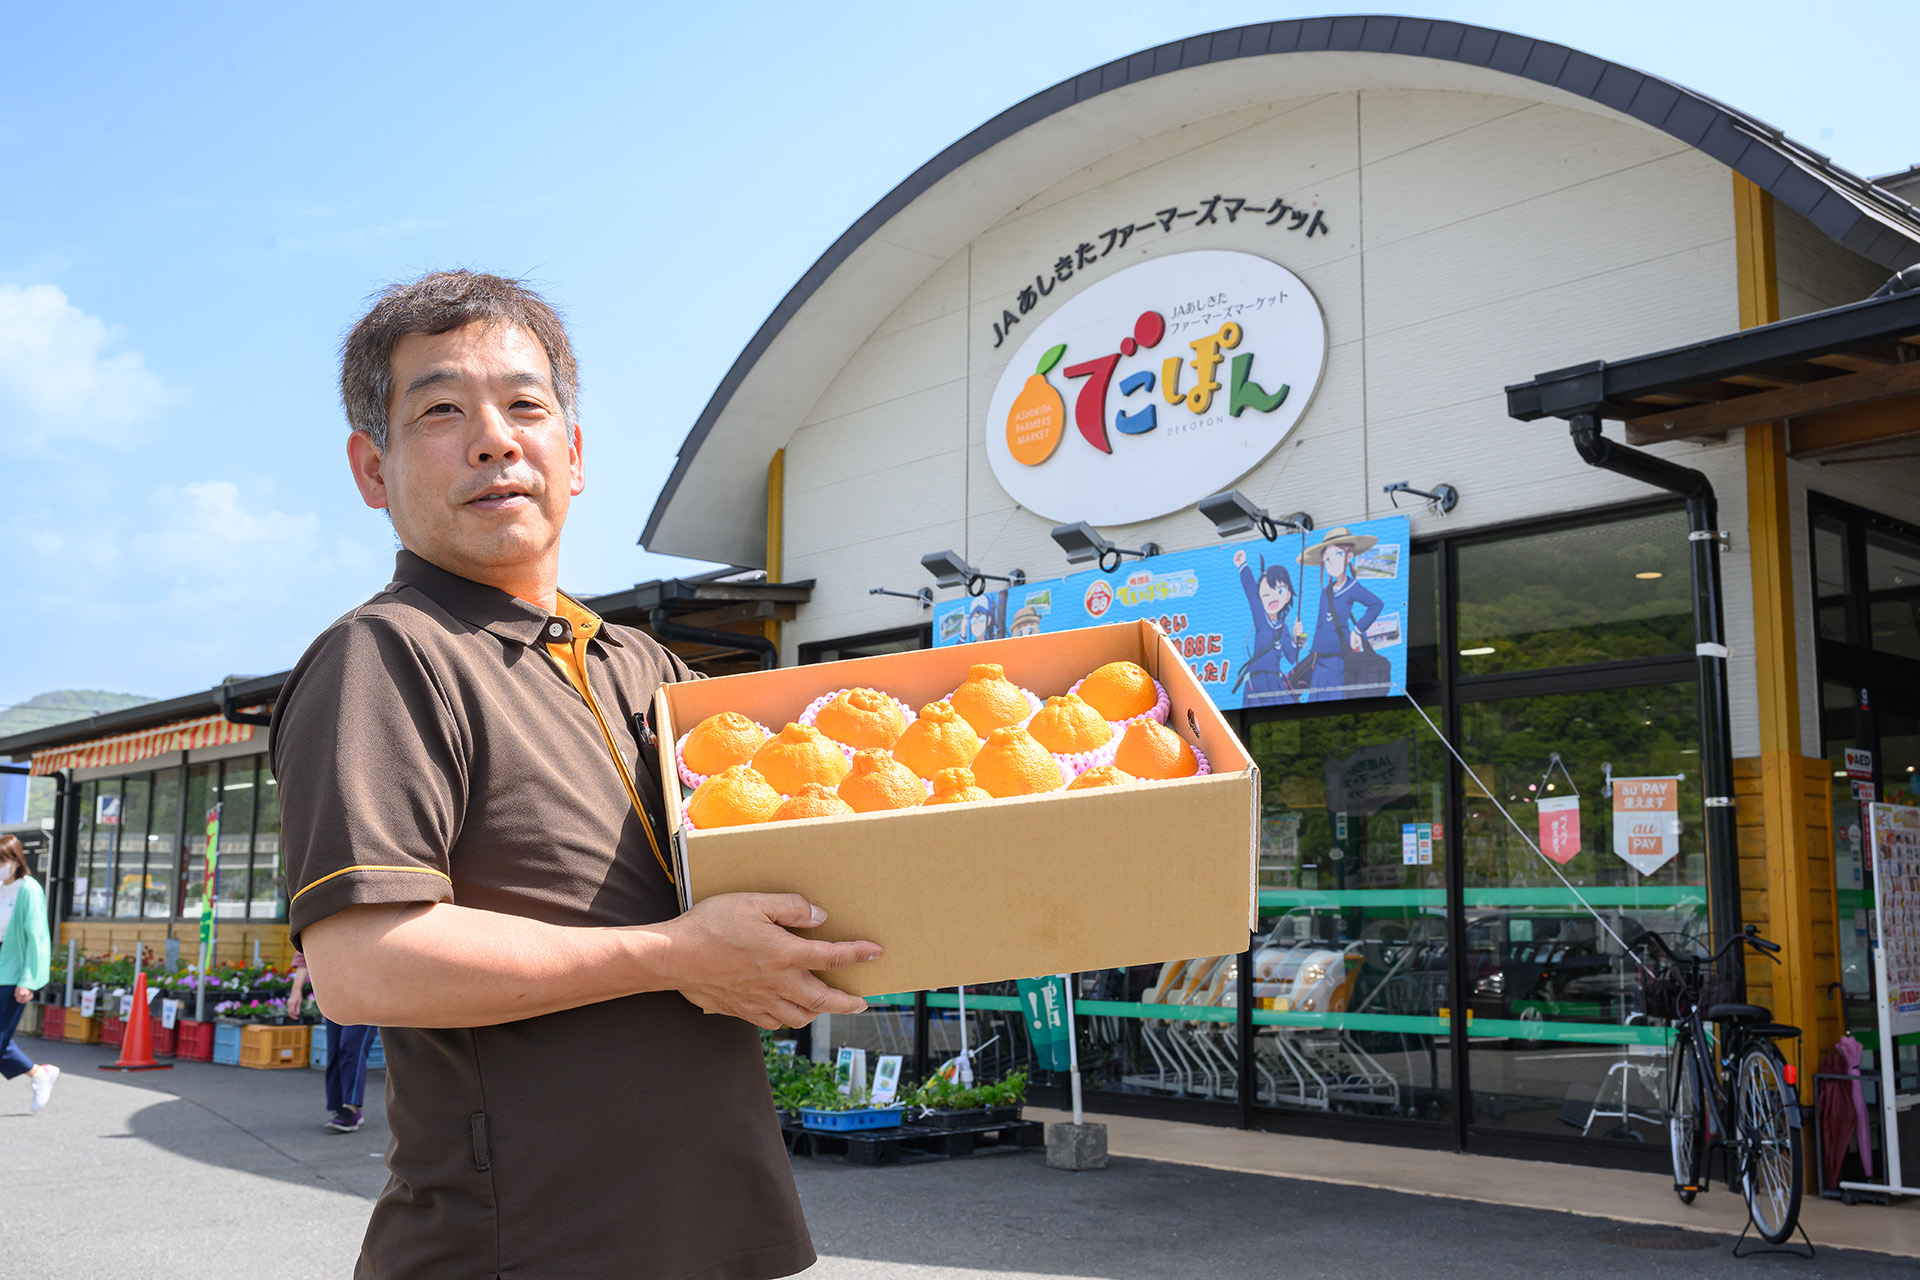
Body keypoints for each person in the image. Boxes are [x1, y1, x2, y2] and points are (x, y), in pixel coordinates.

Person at [273, 270, 880, 1279]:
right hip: (525, 1247)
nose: (494, 438)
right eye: (440, 410)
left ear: (576, 452)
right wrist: (675, 952)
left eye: (524, 405)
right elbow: (364, 960)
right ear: (371, 468)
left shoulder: (648, 668)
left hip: (725, 1234)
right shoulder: (388, 655)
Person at [286, 951, 374, 1133]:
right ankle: (339, 1107)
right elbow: (305, 950)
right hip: (334, 993)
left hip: (367, 991)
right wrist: (296, 992)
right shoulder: (318, 922)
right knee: (335, 1050)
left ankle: (351, 1108)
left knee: (351, 1047)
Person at [0, 834, 58, 1113]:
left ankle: (39, 1074)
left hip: (13, 976)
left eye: (4, 860)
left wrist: (28, 980)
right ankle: (38, 1073)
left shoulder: (29, 889)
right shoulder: (0, 888)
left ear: (16, 860)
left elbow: (37, 938)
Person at [1298, 526, 1384, 701]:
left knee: (1337, 698)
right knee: (1316, 701)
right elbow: (1320, 624)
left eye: (1338, 555)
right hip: (1319, 658)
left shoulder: (1352, 587)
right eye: (1327, 559)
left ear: (1349, 556)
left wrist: (1358, 630)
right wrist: (1302, 637)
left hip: (1340, 658)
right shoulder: (1326, 592)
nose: (1332, 563)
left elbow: (1376, 604)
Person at [1232, 548, 1299, 706]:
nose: (1272, 598)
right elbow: (1251, 592)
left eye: (1279, 591)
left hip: (1275, 680)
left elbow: (1291, 657)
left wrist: (1297, 638)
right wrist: (1242, 565)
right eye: (1266, 594)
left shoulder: (1283, 627)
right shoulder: (1261, 619)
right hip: (1257, 679)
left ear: (1287, 595)